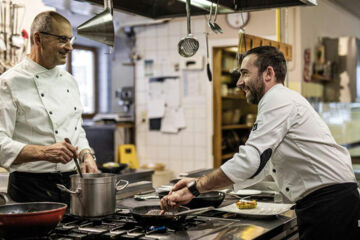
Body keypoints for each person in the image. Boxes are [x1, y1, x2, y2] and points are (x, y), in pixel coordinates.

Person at [161, 46, 360, 239]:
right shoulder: (281, 100)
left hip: (328, 202)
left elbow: (250, 160)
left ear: (268, 73)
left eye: (245, 73)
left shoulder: (277, 100)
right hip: (330, 200)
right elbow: (262, 165)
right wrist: (206, 185)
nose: (239, 82)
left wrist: (195, 188)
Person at [0, 11, 98, 205]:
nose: (69, 47)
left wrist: (86, 154)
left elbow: (77, 129)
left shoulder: (70, 81)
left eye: (71, 39)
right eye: (62, 39)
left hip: (72, 184)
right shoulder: (9, 83)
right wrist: (44, 152)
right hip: (30, 188)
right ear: (38, 38)